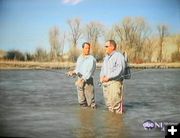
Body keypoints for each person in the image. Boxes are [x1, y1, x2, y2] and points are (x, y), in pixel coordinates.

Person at [100, 40, 126, 114]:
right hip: (105, 84)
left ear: (112, 47)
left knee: (116, 106)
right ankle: (111, 124)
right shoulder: (106, 58)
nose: (105, 48)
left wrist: (108, 77)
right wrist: (101, 77)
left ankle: (117, 123)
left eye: (107, 46)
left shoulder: (118, 56)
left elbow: (119, 70)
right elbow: (102, 69)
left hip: (115, 83)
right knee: (109, 105)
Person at [68, 42, 96, 108]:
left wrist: (82, 80)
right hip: (79, 79)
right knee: (81, 101)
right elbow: (77, 69)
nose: (88, 50)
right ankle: (83, 115)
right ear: (82, 49)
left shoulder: (92, 59)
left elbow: (89, 72)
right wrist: (72, 72)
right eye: (86, 48)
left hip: (88, 81)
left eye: (89, 48)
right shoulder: (80, 58)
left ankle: (92, 114)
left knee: (91, 103)